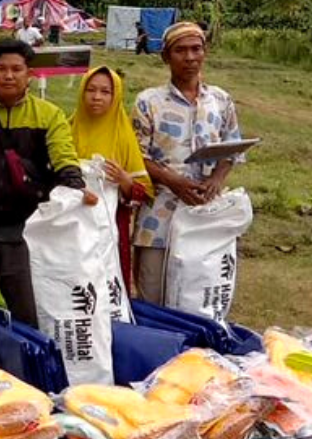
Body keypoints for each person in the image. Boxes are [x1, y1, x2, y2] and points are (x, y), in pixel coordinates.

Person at [0, 38, 90, 325]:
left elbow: (64, 156)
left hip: (27, 233)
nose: (9, 75)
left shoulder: (48, 114)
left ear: (28, 73)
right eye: (1, 68)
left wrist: (74, 184)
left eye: (17, 69)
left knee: (28, 313)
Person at [131, 21, 245, 304]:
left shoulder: (220, 100)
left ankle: (196, 348)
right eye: (180, 50)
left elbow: (232, 148)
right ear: (166, 57)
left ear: (205, 52)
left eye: (196, 49)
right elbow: (136, 156)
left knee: (198, 295)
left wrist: (216, 180)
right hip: (158, 217)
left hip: (205, 214)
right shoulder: (148, 102)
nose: (190, 57)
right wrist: (173, 181)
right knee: (153, 294)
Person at [70, 66, 154, 292]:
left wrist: (125, 181)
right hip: (71, 225)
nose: (97, 97)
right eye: (91, 90)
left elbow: (143, 192)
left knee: (109, 286)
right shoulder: (68, 129)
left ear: (115, 96)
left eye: (105, 92)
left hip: (112, 227)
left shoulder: (124, 136)